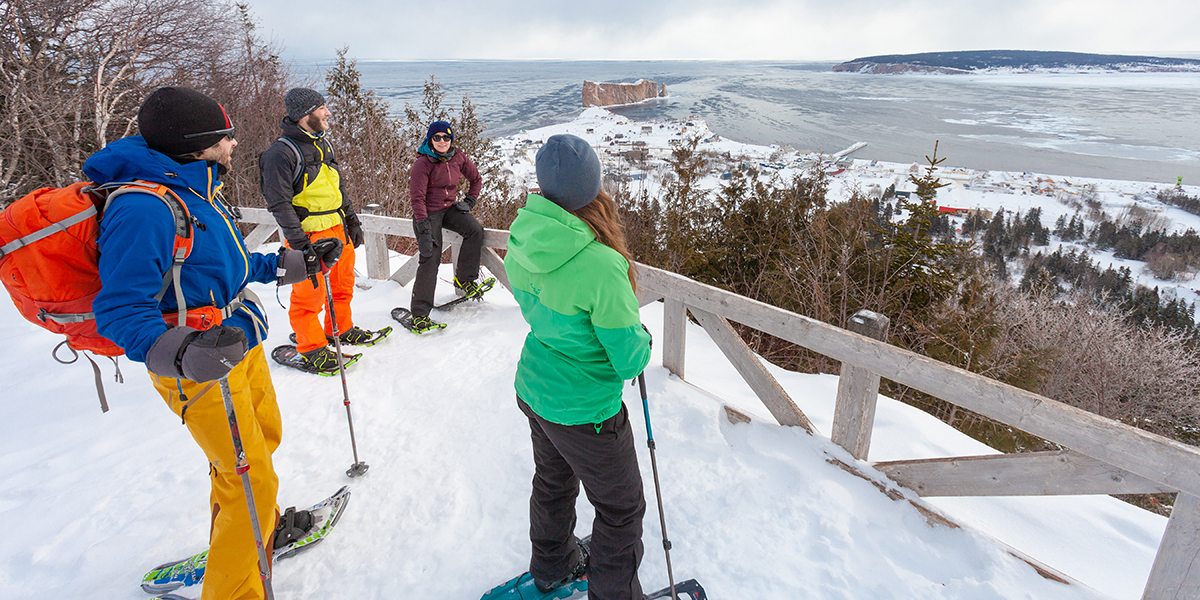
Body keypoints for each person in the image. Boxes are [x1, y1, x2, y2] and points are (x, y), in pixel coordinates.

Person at [87, 86, 338, 600]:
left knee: (261, 444)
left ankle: (251, 534)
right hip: (201, 361)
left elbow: (227, 264)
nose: (234, 142)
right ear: (198, 142)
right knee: (249, 478)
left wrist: (296, 263)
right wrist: (183, 353)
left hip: (237, 342)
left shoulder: (196, 187)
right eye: (225, 135)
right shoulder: (144, 207)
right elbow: (119, 309)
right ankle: (235, 585)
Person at [503, 134, 652, 600]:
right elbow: (629, 358)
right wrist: (643, 341)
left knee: (552, 481)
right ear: (593, 188)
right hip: (586, 408)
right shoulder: (602, 264)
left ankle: (553, 564)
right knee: (621, 511)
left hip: (535, 387)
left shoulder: (522, 235)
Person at [260, 87, 383, 373]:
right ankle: (311, 346)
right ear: (305, 115)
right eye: (322, 108)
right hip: (309, 236)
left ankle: (339, 329)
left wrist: (352, 219)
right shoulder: (279, 153)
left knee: (342, 286)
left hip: (338, 228)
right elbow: (278, 203)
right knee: (308, 297)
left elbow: (338, 186)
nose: (327, 113)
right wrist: (301, 245)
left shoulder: (322, 144)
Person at [401, 120, 491, 333]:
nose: (442, 141)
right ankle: (420, 314)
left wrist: (469, 201)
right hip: (427, 213)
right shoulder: (423, 164)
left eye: (446, 137)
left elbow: (476, 179)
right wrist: (423, 228)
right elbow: (417, 199)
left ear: (451, 140)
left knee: (474, 230)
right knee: (430, 258)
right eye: (437, 137)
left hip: (449, 208)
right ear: (430, 140)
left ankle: (465, 280)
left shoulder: (458, 157)